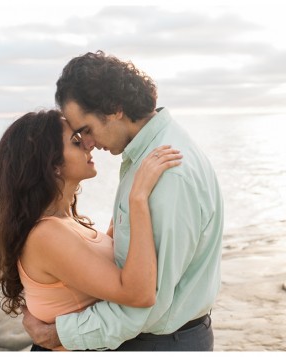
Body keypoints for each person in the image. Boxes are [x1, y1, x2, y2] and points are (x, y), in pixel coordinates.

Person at [21, 51, 224, 351]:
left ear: (114, 109)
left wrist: (60, 334)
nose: (88, 144)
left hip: (161, 343)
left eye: (86, 131)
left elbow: (145, 301)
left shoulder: (168, 174)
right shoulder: (148, 157)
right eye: (78, 137)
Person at [0, 109, 182, 351]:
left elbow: (106, 259)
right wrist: (137, 198)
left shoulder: (65, 222)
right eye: (76, 142)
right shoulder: (47, 235)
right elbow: (140, 295)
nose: (89, 145)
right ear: (52, 164)